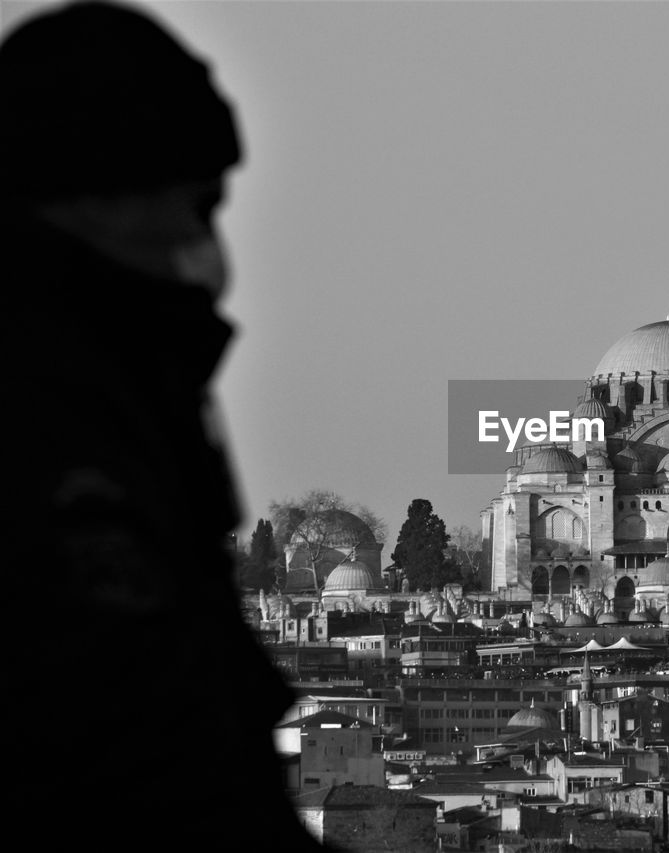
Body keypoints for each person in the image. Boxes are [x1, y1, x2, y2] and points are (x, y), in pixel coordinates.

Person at [2, 3, 321, 847]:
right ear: (95, 201)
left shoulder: (126, 390)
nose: (206, 253)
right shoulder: (55, 417)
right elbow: (143, 751)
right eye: (192, 206)